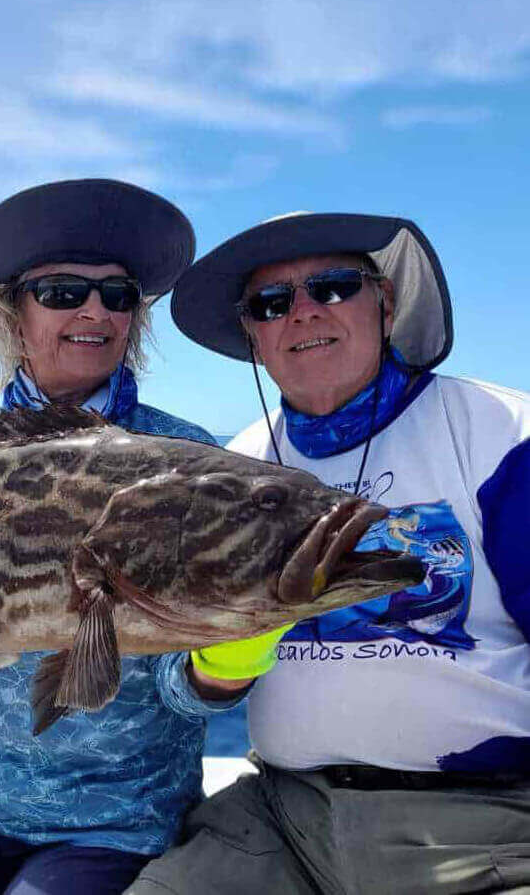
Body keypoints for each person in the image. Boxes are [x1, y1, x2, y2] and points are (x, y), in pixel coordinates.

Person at [0, 179, 287, 895]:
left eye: (118, 295)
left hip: (115, 822)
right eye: (64, 292)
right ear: (13, 314)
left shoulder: (186, 463)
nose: (95, 310)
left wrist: (224, 668)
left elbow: (178, 689)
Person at [126, 211, 530, 894]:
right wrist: (216, 668)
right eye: (273, 303)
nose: (304, 313)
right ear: (253, 336)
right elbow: (181, 680)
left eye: (335, 287)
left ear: (386, 301)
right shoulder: (232, 464)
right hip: (283, 818)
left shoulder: (503, 434)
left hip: (483, 822)